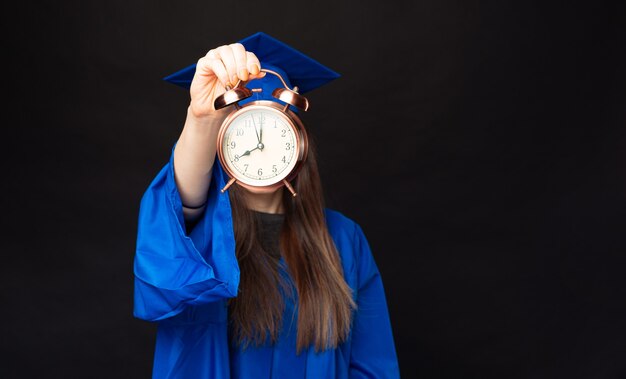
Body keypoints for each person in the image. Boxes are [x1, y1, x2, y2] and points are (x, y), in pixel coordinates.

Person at [133, 32, 400, 378]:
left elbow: (373, 368)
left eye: (275, 130)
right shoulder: (196, 239)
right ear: (221, 142)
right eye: (241, 133)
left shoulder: (345, 240)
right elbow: (177, 209)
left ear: (296, 140)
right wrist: (200, 120)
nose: (262, 148)